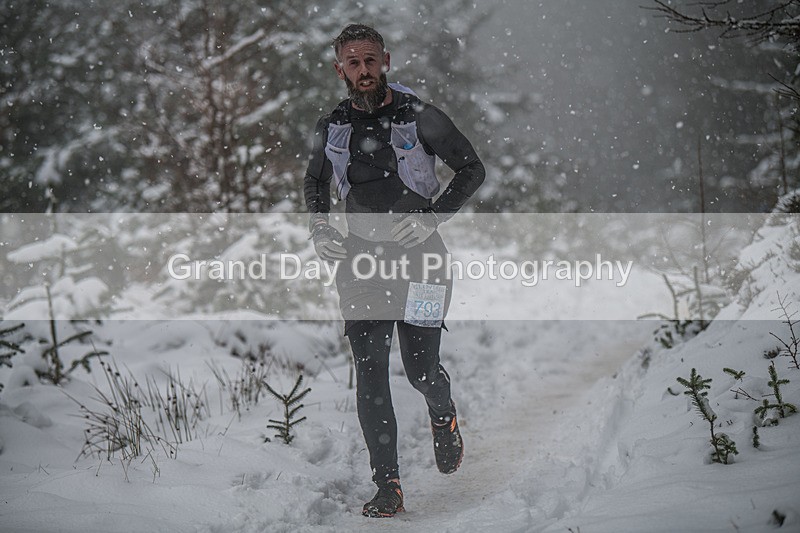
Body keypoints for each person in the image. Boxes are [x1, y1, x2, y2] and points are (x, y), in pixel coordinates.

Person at [303, 23, 485, 518]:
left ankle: (442, 412)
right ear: (339, 69)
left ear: (386, 59)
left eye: (370, 60)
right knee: (370, 373)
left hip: (423, 261)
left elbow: (472, 169)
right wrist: (322, 232)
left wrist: (433, 215)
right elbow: (315, 186)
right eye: (353, 62)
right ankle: (388, 486)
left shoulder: (420, 117)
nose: (363, 70)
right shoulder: (332, 127)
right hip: (362, 265)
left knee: (420, 370)